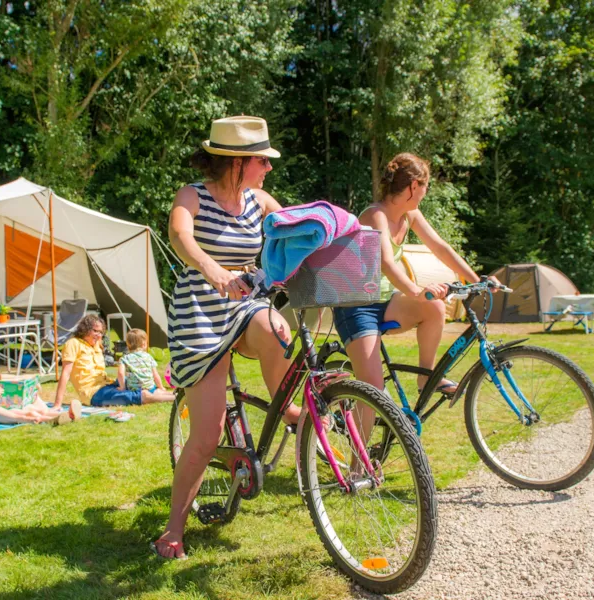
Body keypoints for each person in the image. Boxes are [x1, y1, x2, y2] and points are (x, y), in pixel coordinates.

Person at [153, 116, 304, 560]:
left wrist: (340, 234)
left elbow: (296, 225)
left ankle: (289, 408)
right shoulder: (192, 195)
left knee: (278, 329)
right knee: (206, 433)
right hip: (199, 310)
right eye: (262, 159)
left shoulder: (258, 200)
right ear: (236, 161)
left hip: (242, 303)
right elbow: (180, 235)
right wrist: (212, 268)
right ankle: (173, 528)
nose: (269, 168)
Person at [333, 152, 499, 397]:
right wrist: (417, 292)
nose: (425, 192)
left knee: (435, 308)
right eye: (425, 186)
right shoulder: (375, 215)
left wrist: (477, 280)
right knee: (373, 395)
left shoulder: (409, 215)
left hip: (386, 302)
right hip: (357, 308)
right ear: (413, 186)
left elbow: (441, 248)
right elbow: (387, 263)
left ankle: (426, 378)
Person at [52, 315, 173, 409]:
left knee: (140, 382)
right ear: (85, 329)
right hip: (94, 393)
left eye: (101, 333)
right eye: (96, 331)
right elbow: (66, 374)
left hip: (108, 384)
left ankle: (171, 393)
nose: (99, 336)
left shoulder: (96, 344)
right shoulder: (73, 344)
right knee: (138, 395)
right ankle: (174, 398)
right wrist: (58, 404)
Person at [0, 366, 77, 424]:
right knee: (31, 413)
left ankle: (68, 415)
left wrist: (31, 390)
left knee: (40, 411)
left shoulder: (2, 390)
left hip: (15, 407)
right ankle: (53, 420)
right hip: (9, 413)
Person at [117, 329, 176, 402]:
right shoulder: (148, 357)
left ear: (128, 344)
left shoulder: (125, 358)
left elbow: (120, 373)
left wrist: (122, 388)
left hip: (136, 390)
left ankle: (170, 395)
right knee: (159, 391)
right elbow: (155, 375)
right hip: (150, 388)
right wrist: (161, 387)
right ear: (144, 344)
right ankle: (176, 395)